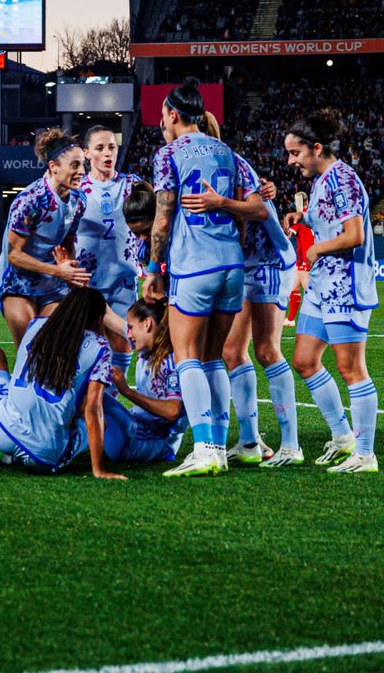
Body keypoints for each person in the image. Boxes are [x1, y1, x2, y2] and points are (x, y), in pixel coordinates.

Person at [147, 78, 266, 476]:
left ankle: (205, 449)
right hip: (231, 265)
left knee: (187, 358)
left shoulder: (169, 154)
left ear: (174, 115)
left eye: (163, 116)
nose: (162, 122)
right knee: (214, 358)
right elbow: (253, 208)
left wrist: (154, 269)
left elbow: (163, 217)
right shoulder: (227, 152)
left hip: (193, 265)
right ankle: (217, 441)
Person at [277, 109, 380, 473]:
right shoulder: (322, 180)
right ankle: (343, 437)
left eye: (295, 153)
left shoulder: (343, 180)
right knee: (305, 360)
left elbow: (355, 235)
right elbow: (330, 220)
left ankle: (365, 454)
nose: (291, 161)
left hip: (346, 283)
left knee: (351, 369)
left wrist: (317, 248)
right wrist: (302, 219)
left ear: (316, 148)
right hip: (323, 284)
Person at [199, 112, 296, 466]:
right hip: (239, 264)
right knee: (231, 352)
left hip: (267, 260)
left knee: (268, 350)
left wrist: (227, 204)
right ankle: (251, 441)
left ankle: (292, 445)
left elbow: (258, 209)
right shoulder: (200, 168)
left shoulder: (231, 163)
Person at [0, 287, 122, 478]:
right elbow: (92, 409)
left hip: (2, 430)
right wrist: (99, 470)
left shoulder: (37, 325)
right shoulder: (100, 347)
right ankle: (11, 453)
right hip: (45, 455)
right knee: (98, 422)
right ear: (99, 318)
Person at [0, 129, 91, 347]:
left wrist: (69, 267)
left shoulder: (78, 200)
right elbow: (13, 254)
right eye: (75, 165)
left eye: (83, 164)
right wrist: (58, 271)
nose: (82, 171)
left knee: (52, 348)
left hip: (52, 284)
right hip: (18, 283)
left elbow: (67, 240)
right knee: (29, 349)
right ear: (53, 167)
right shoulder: (31, 200)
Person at [74, 124, 144, 377]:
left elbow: (158, 218)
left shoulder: (133, 185)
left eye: (112, 147)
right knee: (88, 349)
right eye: (100, 148)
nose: (107, 154)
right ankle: (88, 408)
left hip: (124, 281)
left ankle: (112, 404)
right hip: (86, 283)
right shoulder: (77, 189)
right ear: (87, 153)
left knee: (123, 344)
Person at [101, 298, 188, 464]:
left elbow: (172, 411)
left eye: (131, 327)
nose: (128, 334)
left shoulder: (171, 362)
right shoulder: (146, 347)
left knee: (95, 398)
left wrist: (127, 392)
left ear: (147, 324)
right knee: (90, 396)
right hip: (139, 429)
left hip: (156, 441)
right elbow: (107, 315)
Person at [286, 194, 314, 325]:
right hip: (303, 258)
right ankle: (291, 319)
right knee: (294, 288)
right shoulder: (310, 216)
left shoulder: (300, 218)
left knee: (310, 292)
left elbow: (288, 236)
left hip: (306, 258)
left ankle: (316, 318)